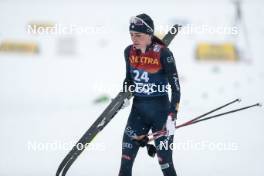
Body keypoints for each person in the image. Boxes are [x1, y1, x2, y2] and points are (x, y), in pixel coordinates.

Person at [118, 13, 181, 176]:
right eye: (131, 35)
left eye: (138, 35)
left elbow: (176, 89)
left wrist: (171, 117)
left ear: (149, 34)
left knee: (165, 163)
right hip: (137, 113)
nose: (134, 39)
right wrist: (124, 96)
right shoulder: (128, 52)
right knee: (125, 163)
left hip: (161, 114)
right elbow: (129, 80)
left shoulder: (164, 54)